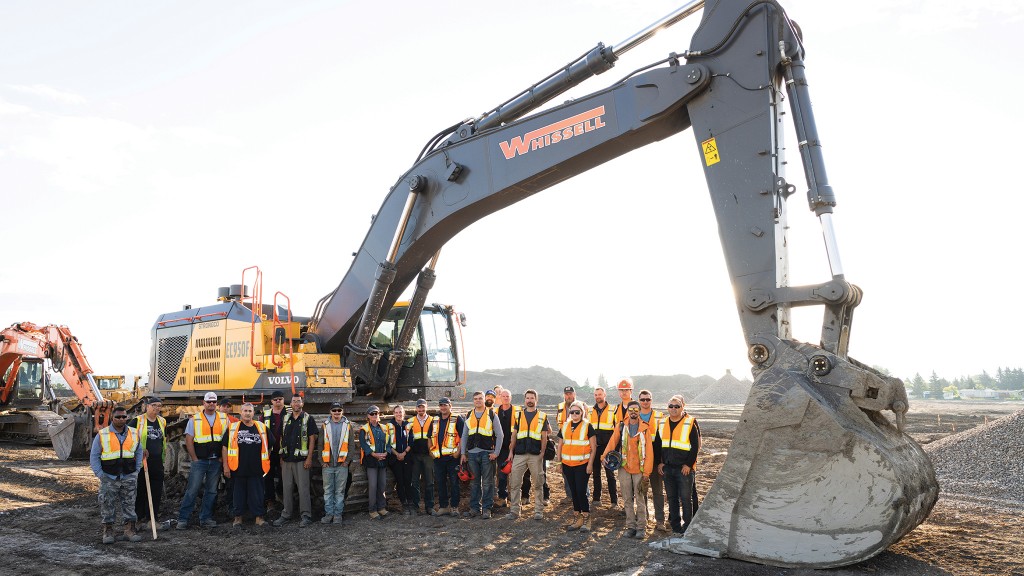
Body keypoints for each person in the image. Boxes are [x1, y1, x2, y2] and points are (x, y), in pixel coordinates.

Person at [90, 405, 143, 544]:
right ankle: (108, 531)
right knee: (107, 504)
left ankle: (129, 530)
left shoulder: (134, 433)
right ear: (112, 418)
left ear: (127, 417)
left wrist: (136, 471)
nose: (121, 419)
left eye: (124, 417)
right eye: (118, 417)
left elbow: (139, 452)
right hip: (109, 476)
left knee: (130, 504)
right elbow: (94, 456)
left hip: (129, 475)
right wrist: (100, 474)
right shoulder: (103, 434)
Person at [177, 392, 230, 530]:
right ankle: (183, 519)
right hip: (200, 461)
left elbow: (227, 440)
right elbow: (189, 440)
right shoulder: (195, 419)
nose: (211, 404)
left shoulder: (224, 418)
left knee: (212, 491)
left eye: (214, 402)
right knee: (192, 490)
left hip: (216, 461)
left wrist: (221, 458)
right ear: (203, 403)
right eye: (209, 402)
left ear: (216, 403)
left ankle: (205, 518)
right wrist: (194, 458)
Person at [602, 400, 654, 539]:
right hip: (624, 467)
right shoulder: (621, 426)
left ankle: (641, 527)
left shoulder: (645, 429)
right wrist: (604, 457)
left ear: (639, 412)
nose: (633, 412)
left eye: (636, 410)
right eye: (631, 409)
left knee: (640, 498)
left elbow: (649, 451)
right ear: (627, 411)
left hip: (639, 469)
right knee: (627, 499)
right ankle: (630, 526)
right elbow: (612, 442)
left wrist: (646, 472)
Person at [654, 394, 701, 534]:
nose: (673, 409)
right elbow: (657, 445)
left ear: (682, 407)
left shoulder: (690, 422)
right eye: (671, 406)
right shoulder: (662, 423)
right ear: (667, 408)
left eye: (677, 406)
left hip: (684, 469)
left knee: (686, 499)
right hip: (668, 468)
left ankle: (688, 527)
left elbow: (695, 446)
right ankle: (676, 527)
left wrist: (688, 464)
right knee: (672, 498)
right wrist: (659, 463)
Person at [222, 403, 272, 527]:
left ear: (253, 413)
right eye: (245, 410)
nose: (247, 413)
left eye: (250, 411)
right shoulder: (233, 427)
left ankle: (258, 518)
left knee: (257, 494)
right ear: (241, 412)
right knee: (238, 494)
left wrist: (264, 460)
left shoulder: (262, 427)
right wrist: (225, 466)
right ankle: (238, 518)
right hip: (238, 468)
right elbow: (224, 447)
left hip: (257, 468)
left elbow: (269, 446)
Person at [273, 394, 317, 527]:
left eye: (298, 401)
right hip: (287, 459)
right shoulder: (285, 418)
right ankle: (286, 514)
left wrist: (309, 458)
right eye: (294, 401)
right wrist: (281, 457)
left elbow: (312, 439)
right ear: (290, 404)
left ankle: (305, 515)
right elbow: (282, 438)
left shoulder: (308, 419)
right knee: (287, 488)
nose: (296, 403)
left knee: (303, 488)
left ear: (302, 404)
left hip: (301, 460)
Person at [504, 389, 549, 521]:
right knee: (515, 482)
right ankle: (514, 510)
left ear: (536, 400)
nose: (529, 400)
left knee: (538, 483)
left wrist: (542, 453)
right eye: (527, 398)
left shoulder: (542, 416)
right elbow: (514, 435)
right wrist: (511, 452)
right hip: (520, 453)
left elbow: (544, 437)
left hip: (535, 455)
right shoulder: (518, 415)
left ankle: (538, 511)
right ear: (525, 400)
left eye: (532, 398)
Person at [555, 399, 596, 532]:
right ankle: (577, 518)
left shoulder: (588, 426)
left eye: (577, 412)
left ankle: (586, 518)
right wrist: (559, 462)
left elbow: (593, 448)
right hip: (567, 464)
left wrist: (590, 465)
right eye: (572, 412)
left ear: (582, 412)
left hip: (582, 465)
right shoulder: (565, 426)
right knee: (573, 492)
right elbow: (560, 445)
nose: (574, 414)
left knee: (581, 491)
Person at [129, 396, 169, 531]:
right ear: (147, 406)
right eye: (154, 405)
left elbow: (163, 440)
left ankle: (153, 519)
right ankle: (139, 519)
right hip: (141, 462)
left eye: (159, 406)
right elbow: (128, 438)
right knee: (141, 490)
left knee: (156, 491)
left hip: (157, 461)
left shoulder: (162, 421)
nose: (157, 408)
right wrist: (139, 449)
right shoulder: (138, 421)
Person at [461, 390, 503, 519]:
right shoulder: (469, 415)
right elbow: (465, 435)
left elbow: (500, 435)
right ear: (473, 401)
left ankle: (486, 509)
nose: (478, 400)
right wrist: (463, 453)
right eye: (475, 399)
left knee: (487, 482)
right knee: (474, 483)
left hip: (487, 454)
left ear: (484, 399)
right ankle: (474, 508)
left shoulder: (491, 414)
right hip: (472, 454)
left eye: (480, 398)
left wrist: (496, 453)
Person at [637, 389, 668, 532]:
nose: (645, 402)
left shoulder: (659, 417)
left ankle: (660, 520)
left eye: (647, 399)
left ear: (651, 400)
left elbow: (664, 441)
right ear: (639, 400)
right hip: (639, 460)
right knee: (641, 490)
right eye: (642, 399)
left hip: (655, 460)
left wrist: (662, 461)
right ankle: (644, 517)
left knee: (657, 491)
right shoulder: (634, 416)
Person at [430, 397, 464, 517]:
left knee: (454, 482)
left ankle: (454, 507)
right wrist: (431, 451)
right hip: (438, 459)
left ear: (450, 406)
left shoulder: (457, 419)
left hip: (452, 458)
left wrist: (458, 452)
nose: (443, 407)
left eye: (445, 405)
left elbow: (463, 437)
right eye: (441, 405)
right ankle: (443, 507)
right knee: (440, 482)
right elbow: (429, 437)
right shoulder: (435, 420)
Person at [320, 401, 352, 525]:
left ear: (342, 412)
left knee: (339, 491)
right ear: (330, 412)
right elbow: (320, 444)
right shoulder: (325, 425)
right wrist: (322, 462)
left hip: (341, 465)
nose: (337, 413)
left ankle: (337, 515)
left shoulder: (347, 425)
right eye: (334, 410)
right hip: (327, 465)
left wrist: (347, 461)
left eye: (339, 410)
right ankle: (329, 514)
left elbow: (351, 444)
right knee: (328, 491)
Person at [360, 405, 393, 518]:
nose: (375, 416)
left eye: (376, 413)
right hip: (371, 461)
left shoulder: (384, 428)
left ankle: (381, 507)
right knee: (373, 485)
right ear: (368, 416)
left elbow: (389, 443)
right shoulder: (364, 429)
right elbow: (364, 444)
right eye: (372, 414)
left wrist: (386, 453)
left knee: (382, 485)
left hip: (383, 460)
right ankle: (372, 510)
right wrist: (374, 454)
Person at [589, 386, 618, 508]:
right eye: (596, 395)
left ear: (605, 395)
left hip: (608, 448)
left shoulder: (613, 409)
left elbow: (617, 430)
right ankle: (596, 498)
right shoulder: (590, 411)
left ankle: (614, 501)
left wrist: (615, 448)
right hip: (595, 447)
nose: (597, 397)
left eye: (600, 394)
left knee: (610, 475)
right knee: (596, 474)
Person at [258, 390, 287, 509]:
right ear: (271, 401)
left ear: (283, 400)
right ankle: (270, 500)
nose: (278, 401)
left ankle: (282, 496)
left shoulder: (289, 413)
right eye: (275, 399)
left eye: (280, 399)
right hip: (269, 452)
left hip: (284, 452)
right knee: (267, 476)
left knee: (284, 477)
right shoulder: (265, 415)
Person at [407, 399, 435, 515]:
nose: (421, 409)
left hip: (428, 455)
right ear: (416, 408)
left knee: (429, 482)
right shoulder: (410, 421)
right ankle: (416, 506)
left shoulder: (433, 421)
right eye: (419, 407)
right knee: (415, 481)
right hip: (415, 455)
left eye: (423, 407)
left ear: (426, 407)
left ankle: (430, 507)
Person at [494, 389, 520, 508]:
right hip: (501, 447)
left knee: (516, 473)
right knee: (502, 473)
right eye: (503, 396)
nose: (505, 398)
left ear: (511, 397)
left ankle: (514, 497)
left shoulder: (517, 411)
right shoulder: (495, 411)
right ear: (500, 397)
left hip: (515, 446)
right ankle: (502, 497)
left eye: (507, 396)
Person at [387, 404, 414, 514]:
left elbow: (411, 441)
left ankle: (410, 503)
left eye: (400, 412)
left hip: (406, 457)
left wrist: (404, 453)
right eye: (397, 412)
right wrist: (397, 454)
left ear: (404, 413)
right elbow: (387, 443)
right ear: (394, 414)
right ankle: (404, 503)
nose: (399, 414)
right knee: (400, 481)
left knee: (408, 480)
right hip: (395, 458)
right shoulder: (389, 426)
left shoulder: (408, 425)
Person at [556, 385, 577, 500]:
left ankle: (582, 494)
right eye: (566, 394)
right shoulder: (560, 407)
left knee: (579, 470)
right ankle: (570, 495)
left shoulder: (581, 406)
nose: (568, 396)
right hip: (564, 443)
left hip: (577, 443)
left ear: (574, 394)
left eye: (570, 393)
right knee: (566, 470)